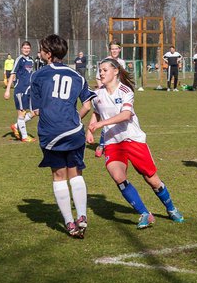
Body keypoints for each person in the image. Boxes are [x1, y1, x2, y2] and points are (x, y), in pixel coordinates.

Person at [86, 57, 185, 228]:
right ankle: (145, 214)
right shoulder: (97, 94)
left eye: (104, 70)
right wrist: (89, 129)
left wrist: (101, 124)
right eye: (99, 70)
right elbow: (96, 112)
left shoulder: (126, 91)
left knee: (152, 179)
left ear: (115, 71)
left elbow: (125, 115)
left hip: (132, 139)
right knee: (118, 176)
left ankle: (171, 208)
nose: (101, 73)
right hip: (113, 143)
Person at [28, 34, 94, 238]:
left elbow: (37, 110)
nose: (39, 53)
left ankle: (69, 223)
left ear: (48, 55)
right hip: (74, 130)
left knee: (59, 175)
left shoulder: (38, 76)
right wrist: (75, 117)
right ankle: (82, 216)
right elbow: (88, 104)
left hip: (51, 132)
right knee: (76, 173)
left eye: (41, 50)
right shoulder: (78, 76)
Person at [4, 41, 37, 142]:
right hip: (20, 89)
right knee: (22, 113)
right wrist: (7, 90)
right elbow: (12, 74)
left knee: (34, 112)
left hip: (29, 90)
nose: (26, 50)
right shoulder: (19, 59)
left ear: (30, 49)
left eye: (28, 48)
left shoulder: (31, 60)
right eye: (24, 48)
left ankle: (15, 126)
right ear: (21, 49)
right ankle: (24, 136)